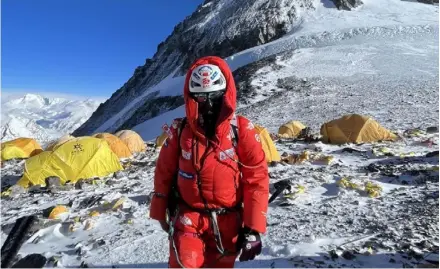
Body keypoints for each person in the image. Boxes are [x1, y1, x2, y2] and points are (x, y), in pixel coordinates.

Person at [150, 56, 269, 268]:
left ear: (225, 94)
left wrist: (253, 227)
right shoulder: (180, 131)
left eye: (215, 96)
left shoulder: (242, 130)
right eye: (202, 98)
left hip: (229, 222)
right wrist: (160, 209)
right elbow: (164, 171)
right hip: (188, 216)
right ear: (192, 98)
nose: (209, 104)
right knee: (183, 264)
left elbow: (256, 178)